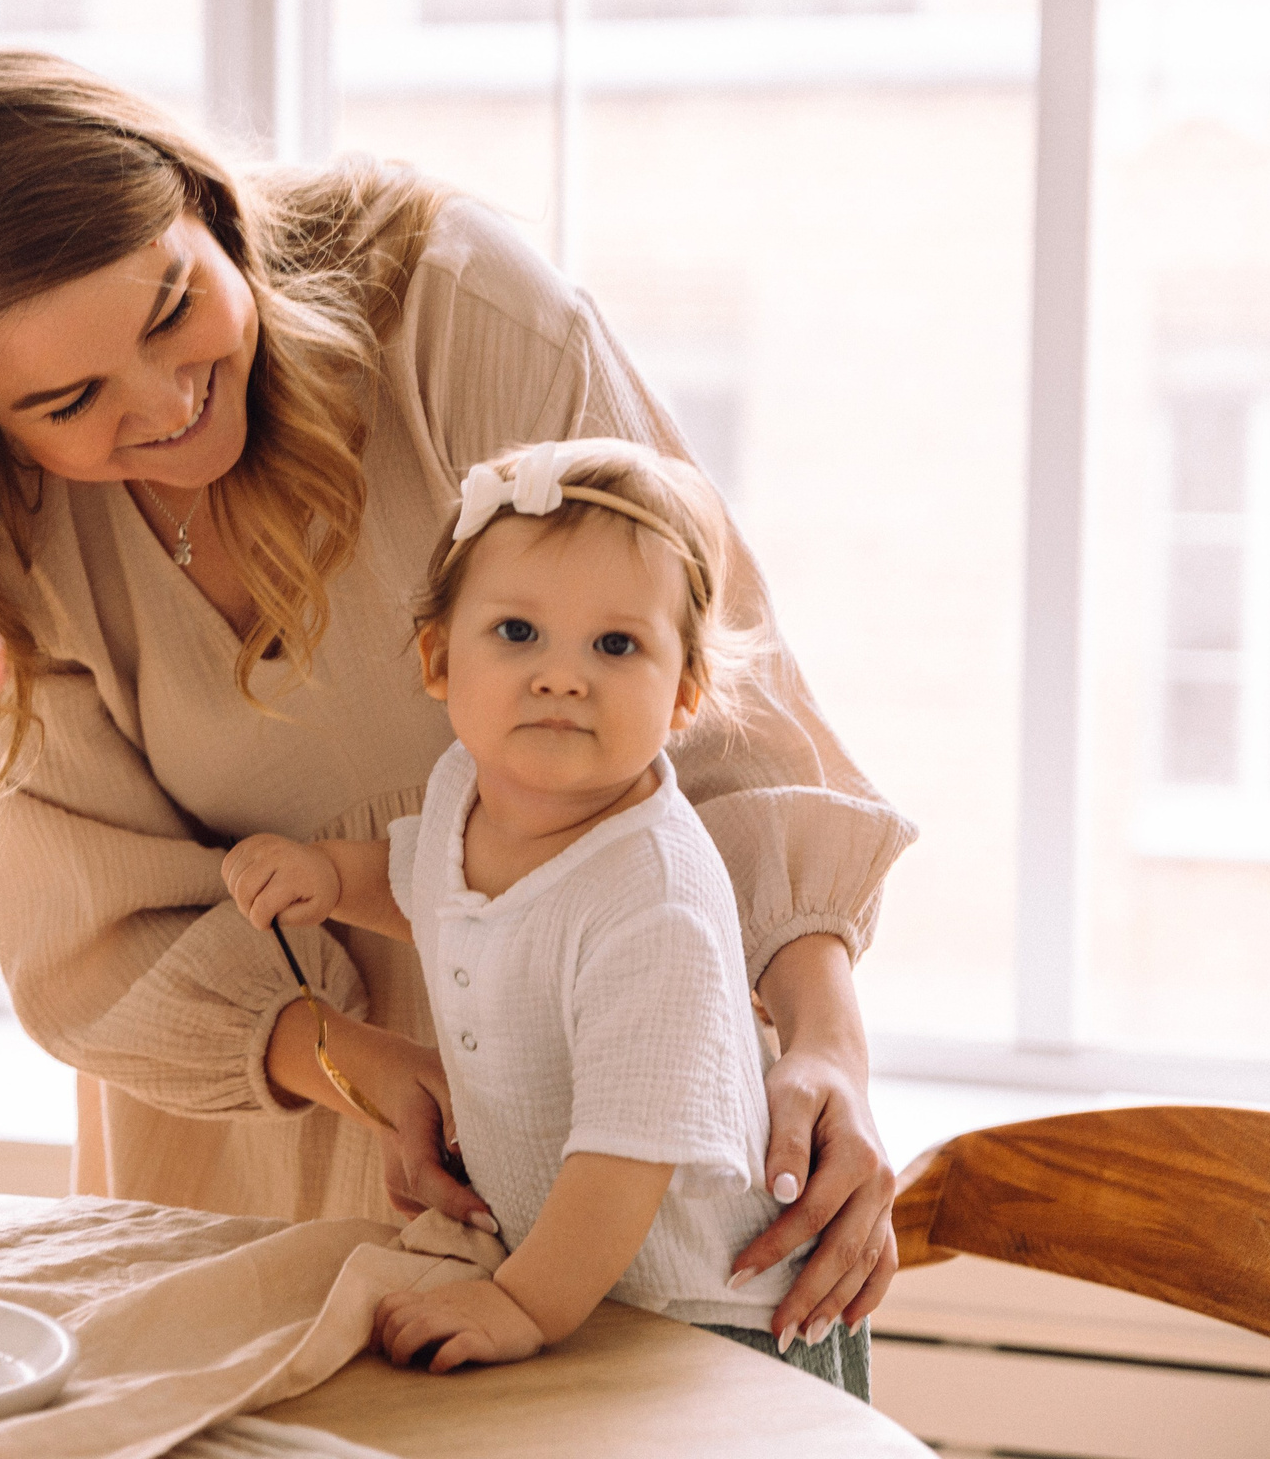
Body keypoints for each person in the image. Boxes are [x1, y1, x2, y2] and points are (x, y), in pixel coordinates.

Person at [0, 49, 916, 1345]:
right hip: (265, 1168)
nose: (168, 405)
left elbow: (718, 711)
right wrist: (354, 1063)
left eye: (175, 309)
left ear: (207, 205)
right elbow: (95, 925)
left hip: (618, 1143)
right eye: (68, 402)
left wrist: (825, 1041)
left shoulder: (454, 313)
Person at [222, 438, 866, 1394]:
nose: (563, 676)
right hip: (583, 1282)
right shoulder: (465, 790)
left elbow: (625, 1157)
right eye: (518, 633)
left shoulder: (653, 899)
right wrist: (328, 875)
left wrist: (521, 1302)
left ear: (685, 692)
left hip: (717, 1321)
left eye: (616, 646)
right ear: (439, 658)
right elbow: (431, 885)